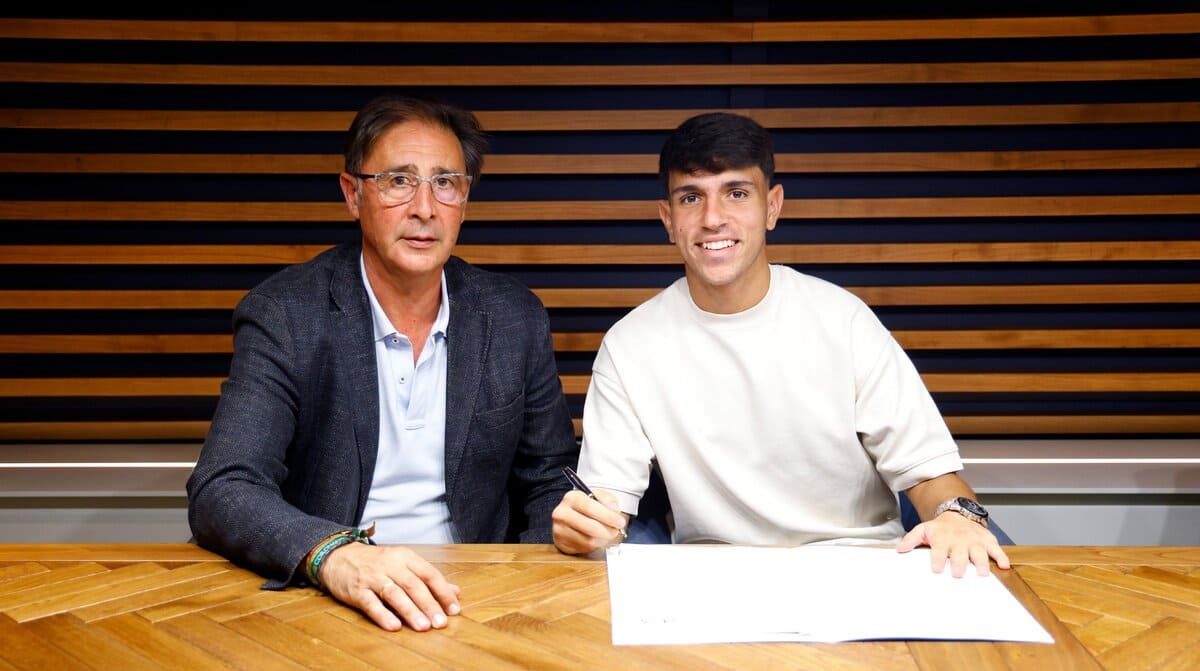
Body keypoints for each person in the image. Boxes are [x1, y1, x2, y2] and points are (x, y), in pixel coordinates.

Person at [552, 112, 1010, 578]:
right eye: (692, 197)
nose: (713, 219)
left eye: (736, 193)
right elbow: (605, 502)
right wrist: (586, 526)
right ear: (669, 220)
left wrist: (957, 515)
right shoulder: (630, 346)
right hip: (714, 583)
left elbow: (931, 474)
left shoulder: (843, 321)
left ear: (772, 207)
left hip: (863, 571)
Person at [188, 94, 578, 631]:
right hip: (325, 595)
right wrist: (334, 556)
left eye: (445, 182)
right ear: (353, 194)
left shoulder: (512, 317)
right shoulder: (287, 314)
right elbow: (224, 484)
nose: (424, 208)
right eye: (398, 181)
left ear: (465, 198)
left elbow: (549, 479)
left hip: (472, 596)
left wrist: (521, 593)